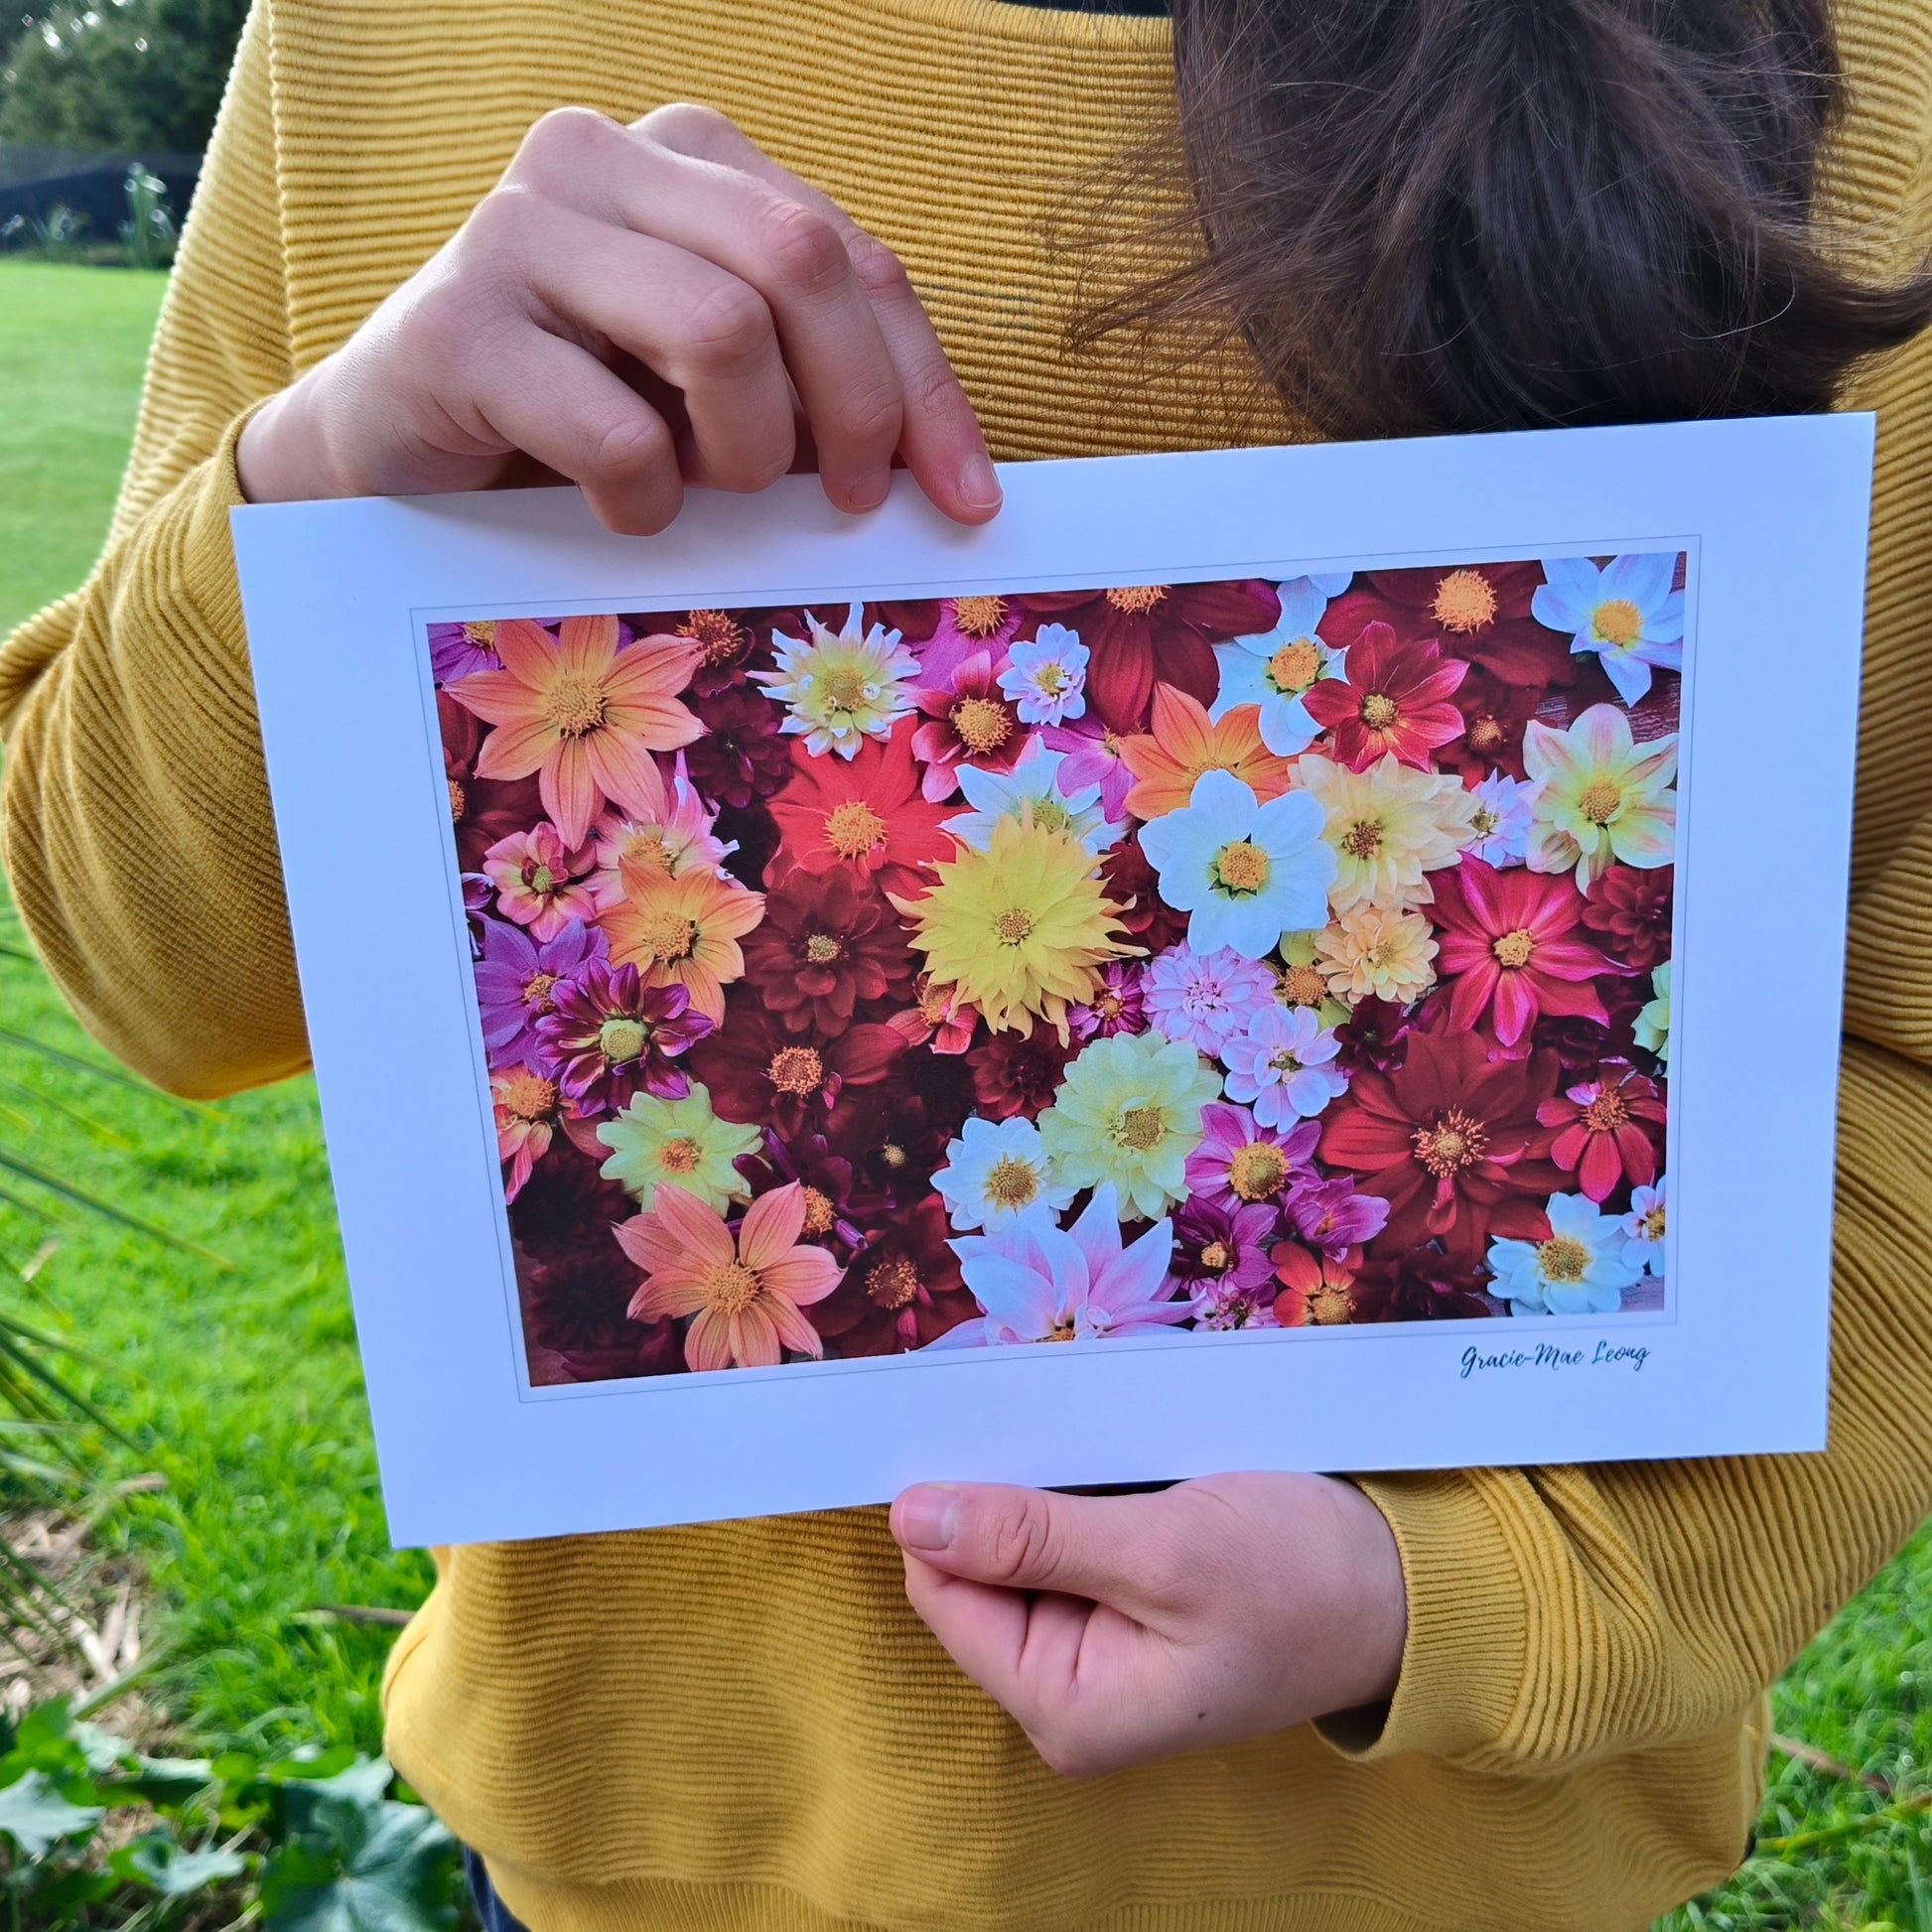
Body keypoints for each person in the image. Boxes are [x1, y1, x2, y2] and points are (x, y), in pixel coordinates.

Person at [4, 0, 1931, 1927]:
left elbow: (1896, 1077)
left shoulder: (1875, 79)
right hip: (638, 1877)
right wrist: (325, 486)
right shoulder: (385, 37)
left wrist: (1448, 1584)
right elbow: (153, 976)